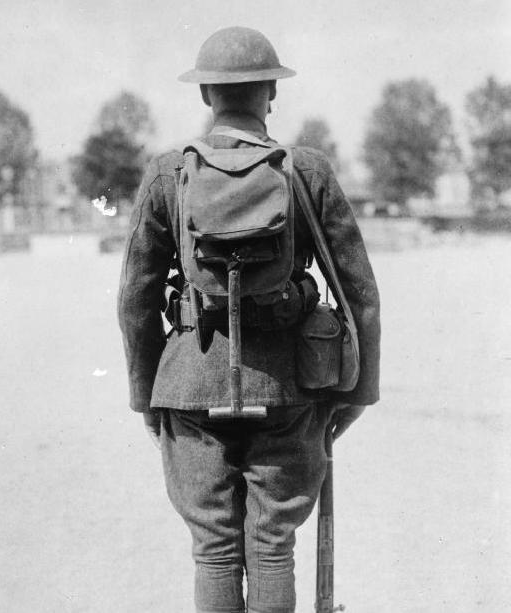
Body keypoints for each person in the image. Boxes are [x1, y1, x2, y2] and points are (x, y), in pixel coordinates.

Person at [118, 26, 380, 613]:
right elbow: (359, 291)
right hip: (292, 386)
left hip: (188, 385)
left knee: (213, 549)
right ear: (270, 93)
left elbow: (135, 296)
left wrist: (146, 397)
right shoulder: (305, 171)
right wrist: (358, 390)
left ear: (207, 95)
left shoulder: (169, 174)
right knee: (272, 546)